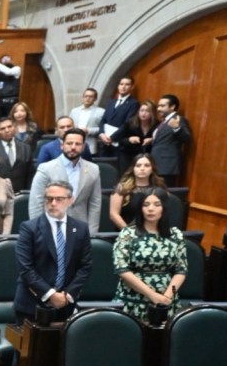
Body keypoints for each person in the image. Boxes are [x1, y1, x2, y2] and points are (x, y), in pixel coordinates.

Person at [13, 180, 92, 326]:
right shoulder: (29, 228)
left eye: (59, 199)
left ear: (70, 200)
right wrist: (50, 294)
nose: (53, 203)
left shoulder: (81, 229)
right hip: (32, 305)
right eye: (49, 199)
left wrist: (67, 295)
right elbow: (25, 268)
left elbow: (85, 266)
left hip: (65, 306)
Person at [112, 188, 188, 322]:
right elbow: (122, 269)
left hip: (167, 301)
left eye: (156, 204)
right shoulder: (128, 234)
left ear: (164, 207)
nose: (150, 209)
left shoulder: (175, 234)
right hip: (133, 299)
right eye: (146, 205)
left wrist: (168, 296)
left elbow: (181, 270)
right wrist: (152, 295)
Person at [29, 128, 102, 234]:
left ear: (83, 147)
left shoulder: (93, 169)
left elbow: (95, 203)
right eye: (69, 143)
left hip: (80, 228)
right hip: (51, 227)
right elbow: (36, 202)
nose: (73, 147)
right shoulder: (46, 169)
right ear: (62, 145)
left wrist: (92, 233)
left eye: (78, 144)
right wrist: (39, 231)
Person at [110, 154, 166, 230]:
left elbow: (164, 213)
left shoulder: (160, 188)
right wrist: (129, 232)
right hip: (127, 233)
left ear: (152, 169)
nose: (142, 169)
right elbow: (114, 214)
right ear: (133, 168)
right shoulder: (122, 188)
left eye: (146, 165)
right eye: (138, 165)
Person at [150, 94, 192, 187]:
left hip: (167, 166)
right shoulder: (164, 122)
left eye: (162, 106)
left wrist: (177, 128)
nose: (158, 109)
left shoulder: (179, 120)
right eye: (158, 106)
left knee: (164, 195)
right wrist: (152, 139)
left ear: (172, 107)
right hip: (156, 164)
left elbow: (188, 139)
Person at [0, 116, 34, 191]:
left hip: (20, 194)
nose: (7, 130)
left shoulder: (25, 148)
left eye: (9, 127)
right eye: (2, 129)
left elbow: (30, 174)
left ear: (14, 127)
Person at [109, 100, 158, 173]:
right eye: (141, 110)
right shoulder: (130, 123)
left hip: (146, 157)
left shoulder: (157, 125)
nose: (143, 113)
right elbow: (114, 138)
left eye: (147, 111)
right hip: (127, 156)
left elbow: (161, 140)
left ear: (152, 113)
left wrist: (152, 140)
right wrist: (129, 140)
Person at [98, 76, 140, 157]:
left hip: (119, 144)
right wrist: (102, 134)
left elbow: (127, 123)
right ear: (118, 86)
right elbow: (103, 120)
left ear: (132, 87)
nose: (123, 87)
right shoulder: (111, 102)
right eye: (121, 84)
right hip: (105, 143)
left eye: (127, 84)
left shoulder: (133, 103)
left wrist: (112, 137)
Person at [69, 88, 105, 154]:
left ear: (95, 99)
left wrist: (89, 130)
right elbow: (69, 125)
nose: (87, 98)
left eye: (91, 97)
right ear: (82, 97)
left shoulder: (101, 112)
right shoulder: (74, 111)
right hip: (74, 144)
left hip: (90, 143)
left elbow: (103, 129)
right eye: (86, 96)